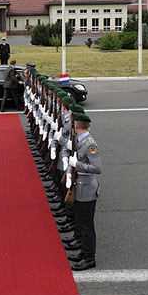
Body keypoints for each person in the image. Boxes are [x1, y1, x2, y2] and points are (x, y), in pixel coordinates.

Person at [68, 112, 101, 271]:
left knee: (87, 225)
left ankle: (89, 258)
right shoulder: (79, 140)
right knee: (80, 221)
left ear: (77, 125)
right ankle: (82, 250)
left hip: (87, 189)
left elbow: (97, 168)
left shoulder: (90, 144)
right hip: (79, 185)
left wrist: (77, 165)